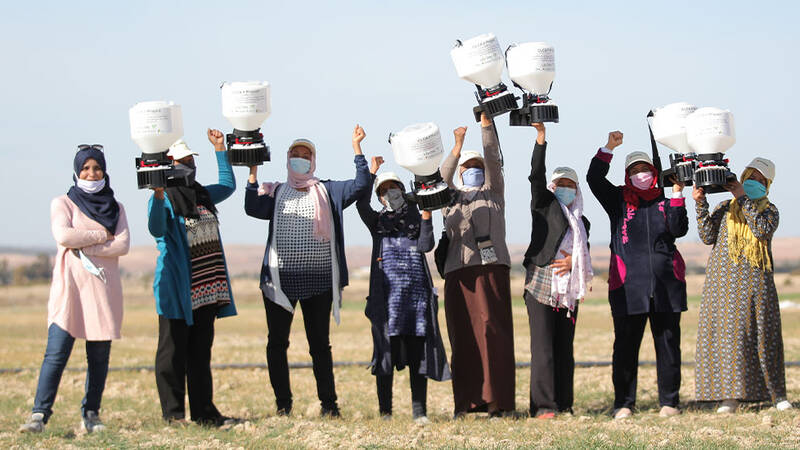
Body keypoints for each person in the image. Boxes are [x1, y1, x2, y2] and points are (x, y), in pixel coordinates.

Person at [244, 125, 371, 417]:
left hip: (319, 282)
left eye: (306, 155)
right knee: (277, 343)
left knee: (319, 346)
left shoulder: (328, 189)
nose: (300, 159)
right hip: (279, 282)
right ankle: (283, 405)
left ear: (313, 161)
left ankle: (329, 405)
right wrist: (252, 174)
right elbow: (252, 207)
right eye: (295, 154)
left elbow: (361, 185)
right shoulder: (275, 191)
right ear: (287, 159)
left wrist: (357, 148)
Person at [19, 145, 130, 434]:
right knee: (55, 354)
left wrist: (84, 243)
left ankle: (91, 414)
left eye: (96, 168)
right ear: (76, 171)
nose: (91, 173)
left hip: (103, 292)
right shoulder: (63, 203)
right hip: (69, 292)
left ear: (105, 170)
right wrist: (99, 236)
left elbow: (123, 245)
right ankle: (39, 415)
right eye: (85, 168)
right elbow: (63, 235)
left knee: (99, 358)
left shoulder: (116, 208)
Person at [586, 131, 688, 419]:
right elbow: (594, 179)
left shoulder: (665, 201)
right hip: (628, 286)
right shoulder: (618, 199)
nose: (641, 174)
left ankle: (669, 402)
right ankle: (624, 404)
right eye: (635, 171)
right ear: (627, 175)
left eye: (645, 169)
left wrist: (678, 194)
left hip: (667, 286)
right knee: (626, 347)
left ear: (654, 173)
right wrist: (608, 148)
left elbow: (679, 229)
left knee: (668, 345)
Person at [147, 131, 238, 426]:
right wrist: (159, 194)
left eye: (190, 160)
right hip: (177, 289)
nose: (188, 165)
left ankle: (204, 413)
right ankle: (173, 415)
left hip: (207, 289)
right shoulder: (163, 199)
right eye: (181, 161)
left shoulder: (202, 194)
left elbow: (228, 184)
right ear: (168, 166)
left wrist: (220, 149)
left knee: (200, 354)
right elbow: (157, 229)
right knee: (172, 353)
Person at [355, 147, 451, 424]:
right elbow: (361, 204)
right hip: (386, 301)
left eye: (393, 188)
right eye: (383, 191)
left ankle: (419, 411)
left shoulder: (417, 214)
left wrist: (426, 217)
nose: (389, 193)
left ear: (401, 189)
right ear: (380, 196)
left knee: (418, 354)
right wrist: (370, 173)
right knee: (385, 355)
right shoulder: (377, 222)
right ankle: (385, 412)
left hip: (416, 298)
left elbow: (426, 245)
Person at [693, 157, 792, 413]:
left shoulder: (770, 211)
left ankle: (776, 394)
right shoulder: (726, 208)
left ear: (768, 185)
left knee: (763, 339)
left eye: (761, 180)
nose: (755, 183)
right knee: (730, 341)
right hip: (724, 285)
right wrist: (701, 203)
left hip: (757, 284)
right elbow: (706, 236)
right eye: (751, 177)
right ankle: (730, 398)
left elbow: (760, 230)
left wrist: (741, 196)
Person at [440, 113, 515, 417]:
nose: (473, 171)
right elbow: (438, 179)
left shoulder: (494, 194)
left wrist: (486, 127)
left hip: (492, 270)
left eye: (476, 167)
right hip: (459, 274)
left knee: (493, 334)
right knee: (464, 336)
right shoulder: (449, 197)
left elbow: (494, 160)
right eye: (467, 168)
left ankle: (498, 402)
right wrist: (456, 147)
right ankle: (467, 404)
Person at [523, 123, 592, 418]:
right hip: (541, 287)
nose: (565, 188)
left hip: (569, 292)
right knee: (543, 350)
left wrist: (574, 265)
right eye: (560, 183)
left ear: (576, 190)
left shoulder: (583, 223)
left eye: (570, 184)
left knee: (565, 350)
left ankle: (565, 403)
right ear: (552, 188)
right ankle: (543, 406)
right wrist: (541, 140)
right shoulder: (543, 206)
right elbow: (535, 176)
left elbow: (583, 257)